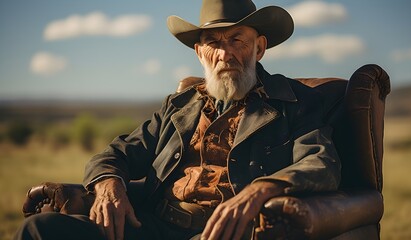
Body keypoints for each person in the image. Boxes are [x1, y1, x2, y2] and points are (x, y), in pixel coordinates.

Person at [15, 0, 341, 239]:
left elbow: (320, 162)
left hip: (225, 232)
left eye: (236, 40)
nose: (224, 54)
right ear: (200, 53)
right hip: (153, 226)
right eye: (213, 42)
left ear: (259, 47)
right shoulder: (180, 105)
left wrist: (259, 191)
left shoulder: (294, 102)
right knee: (39, 229)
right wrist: (108, 185)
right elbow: (118, 152)